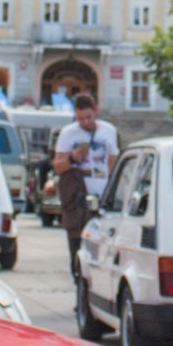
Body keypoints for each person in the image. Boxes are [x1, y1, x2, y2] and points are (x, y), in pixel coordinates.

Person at [53, 92, 118, 276]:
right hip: (78, 194)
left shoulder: (108, 130)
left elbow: (113, 161)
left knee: (101, 244)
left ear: (96, 111)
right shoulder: (68, 133)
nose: (85, 122)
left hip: (101, 191)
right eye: (80, 118)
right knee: (77, 243)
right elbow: (58, 166)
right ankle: (79, 286)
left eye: (88, 117)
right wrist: (73, 159)